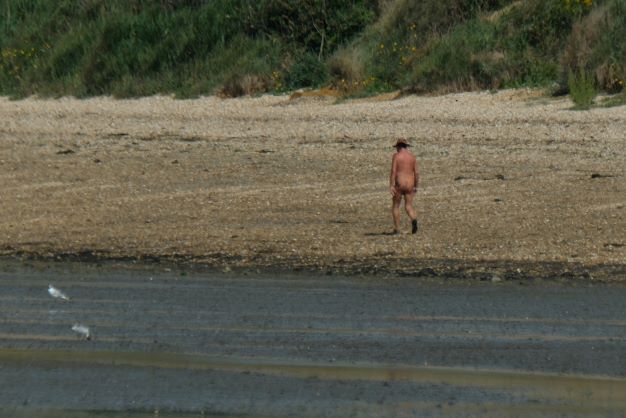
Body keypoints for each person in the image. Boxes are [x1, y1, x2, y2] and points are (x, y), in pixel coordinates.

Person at [389, 138, 419, 234]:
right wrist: (416, 186)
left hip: (399, 184)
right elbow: (417, 173)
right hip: (410, 184)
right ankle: (414, 219)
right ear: (406, 147)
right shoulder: (412, 157)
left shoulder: (396, 156)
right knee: (408, 206)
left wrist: (391, 185)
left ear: (398, 147)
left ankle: (397, 229)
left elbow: (393, 171)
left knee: (396, 206)